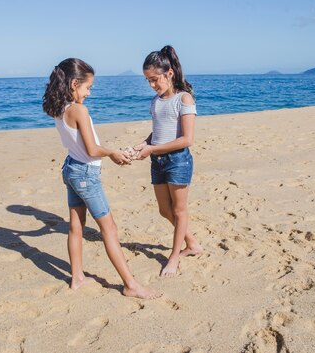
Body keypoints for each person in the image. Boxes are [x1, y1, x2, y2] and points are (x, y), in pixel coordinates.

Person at [43, 58, 161, 299]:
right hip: (85, 174)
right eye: (88, 88)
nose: (89, 93)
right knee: (109, 229)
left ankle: (77, 278)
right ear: (74, 84)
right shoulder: (78, 110)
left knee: (76, 226)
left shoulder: (60, 107)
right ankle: (130, 284)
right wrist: (113, 153)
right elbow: (92, 150)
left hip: (70, 169)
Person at [134, 46, 204, 278]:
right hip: (157, 160)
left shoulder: (183, 98)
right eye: (148, 81)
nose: (152, 85)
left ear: (169, 73)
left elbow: (187, 139)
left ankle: (174, 257)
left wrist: (153, 148)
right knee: (165, 210)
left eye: (155, 79)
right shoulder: (155, 101)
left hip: (177, 160)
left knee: (179, 210)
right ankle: (192, 243)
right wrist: (144, 145)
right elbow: (158, 132)